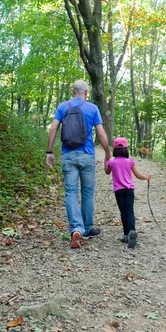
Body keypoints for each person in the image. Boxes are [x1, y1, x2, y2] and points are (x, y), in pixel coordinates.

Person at [46, 80, 111, 249]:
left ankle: (76, 228)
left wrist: (49, 152)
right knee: (88, 192)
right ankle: (87, 229)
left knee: (71, 192)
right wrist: (107, 152)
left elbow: (53, 129)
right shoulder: (93, 108)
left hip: (68, 155)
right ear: (86, 92)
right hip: (87, 155)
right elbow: (101, 132)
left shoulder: (62, 107)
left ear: (72, 91)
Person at [104, 136, 151, 249]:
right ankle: (132, 232)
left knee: (123, 212)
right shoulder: (129, 162)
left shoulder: (112, 162)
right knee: (130, 211)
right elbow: (137, 175)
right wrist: (146, 177)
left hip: (119, 191)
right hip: (129, 190)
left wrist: (106, 160)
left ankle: (126, 235)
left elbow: (106, 172)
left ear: (115, 149)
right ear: (126, 149)